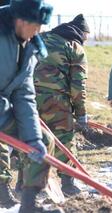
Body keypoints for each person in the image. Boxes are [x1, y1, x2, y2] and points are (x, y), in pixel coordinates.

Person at [0, 1, 63, 212]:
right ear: (20, 20)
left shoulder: (30, 47)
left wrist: (33, 138)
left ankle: (29, 205)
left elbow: (24, 94)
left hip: (2, 109)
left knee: (43, 140)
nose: (38, 32)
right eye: (35, 26)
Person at [34, 14, 90, 197]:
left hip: (28, 98)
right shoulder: (75, 47)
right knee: (64, 138)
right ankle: (68, 183)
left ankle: (25, 184)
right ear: (82, 33)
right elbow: (78, 86)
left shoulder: (40, 38)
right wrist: (81, 113)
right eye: (87, 36)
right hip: (57, 101)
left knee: (31, 138)